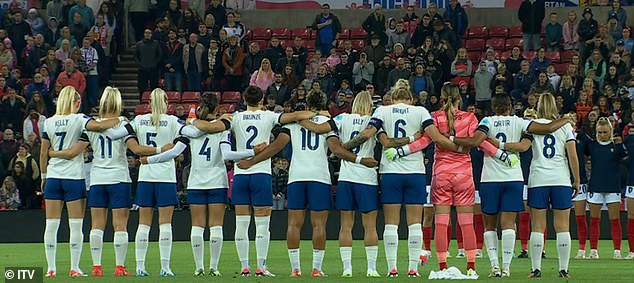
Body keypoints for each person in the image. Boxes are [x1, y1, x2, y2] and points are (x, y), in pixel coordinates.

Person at [238, 91, 377, 277]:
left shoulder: (293, 124)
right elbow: (336, 149)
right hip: (319, 178)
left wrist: (252, 161)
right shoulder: (328, 125)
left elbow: (276, 147)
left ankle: (296, 269)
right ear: (324, 103)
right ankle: (316, 268)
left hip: (296, 177)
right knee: (319, 226)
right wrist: (360, 160)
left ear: (306, 103)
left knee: (294, 225)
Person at [47, 87, 170, 277]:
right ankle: (119, 267)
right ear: (119, 103)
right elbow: (135, 148)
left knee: (97, 224)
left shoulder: (92, 125)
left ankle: (97, 267)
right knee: (120, 225)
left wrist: (53, 153)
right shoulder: (123, 123)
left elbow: (75, 150)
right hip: (119, 177)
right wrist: (160, 149)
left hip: (97, 179)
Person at [341, 79, 458, 277]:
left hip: (390, 172)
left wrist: (345, 147)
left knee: (391, 224)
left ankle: (392, 269)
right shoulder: (420, 111)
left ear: (393, 98)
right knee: (414, 222)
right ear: (411, 99)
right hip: (415, 172)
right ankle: (413, 269)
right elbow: (436, 138)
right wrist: (459, 149)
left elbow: (367, 134)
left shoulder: (382, 111)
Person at [452, 93, 571, 277]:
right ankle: (507, 267)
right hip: (513, 178)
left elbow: (476, 141)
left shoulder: (488, 122)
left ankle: (494, 266)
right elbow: (542, 133)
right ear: (510, 106)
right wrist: (566, 119)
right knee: (509, 224)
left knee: (489, 225)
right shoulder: (519, 122)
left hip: (490, 179)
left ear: (493, 107)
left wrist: (451, 138)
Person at [143, 93, 252, 276]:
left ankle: (199, 267)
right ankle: (214, 268)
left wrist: (150, 160)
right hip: (217, 181)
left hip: (196, 182)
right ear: (216, 109)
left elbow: (174, 152)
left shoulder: (189, 131)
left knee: (197, 226)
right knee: (216, 226)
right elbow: (227, 155)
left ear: (200, 108)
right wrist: (251, 152)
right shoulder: (222, 129)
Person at [221, 86, 323, 276]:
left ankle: (244, 267)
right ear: (262, 100)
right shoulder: (268, 115)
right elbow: (294, 116)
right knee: (262, 225)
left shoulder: (235, 117)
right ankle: (261, 266)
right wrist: (316, 111)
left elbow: (220, 123)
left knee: (241, 225)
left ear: (244, 99)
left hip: (241, 174)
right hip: (261, 174)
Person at [40, 85, 122, 277]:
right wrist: (120, 119)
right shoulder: (79, 119)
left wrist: (44, 176)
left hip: (53, 177)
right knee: (75, 225)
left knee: (51, 225)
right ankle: (74, 268)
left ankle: (51, 268)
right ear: (76, 102)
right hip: (73, 178)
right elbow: (101, 126)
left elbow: (44, 152)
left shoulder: (49, 122)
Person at [494, 93, 580, 278]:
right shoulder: (565, 126)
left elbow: (523, 146)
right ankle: (563, 270)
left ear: (539, 105)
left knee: (538, 226)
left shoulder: (531, 125)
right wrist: (577, 180)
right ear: (555, 107)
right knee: (563, 226)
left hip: (538, 179)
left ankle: (536, 269)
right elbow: (572, 156)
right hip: (561, 179)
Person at [585, 117, 626, 260]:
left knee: (614, 220)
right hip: (595, 186)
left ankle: (617, 251)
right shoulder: (591, 146)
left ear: (611, 131)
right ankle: (593, 250)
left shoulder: (617, 147)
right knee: (594, 220)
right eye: (600, 132)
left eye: (605, 132)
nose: (603, 135)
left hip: (612, 187)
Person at [135, 29, 162, 96]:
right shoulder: (139, 44)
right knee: (142, 88)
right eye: (146, 33)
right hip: (142, 69)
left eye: (149, 33)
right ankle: (142, 103)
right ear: (144, 34)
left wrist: (155, 64)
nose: (147, 34)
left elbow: (159, 55)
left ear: (151, 34)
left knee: (154, 88)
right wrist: (140, 64)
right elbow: (135, 56)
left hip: (153, 69)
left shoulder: (156, 43)